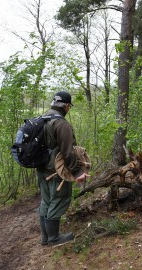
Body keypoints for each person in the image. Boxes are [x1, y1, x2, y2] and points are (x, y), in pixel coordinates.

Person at [37, 91, 90, 246]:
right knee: (60, 199)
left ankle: (45, 238)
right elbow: (68, 152)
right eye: (69, 107)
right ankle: (53, 238)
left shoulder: (43, 118)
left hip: (42, 168)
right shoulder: (61, 124)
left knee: (46, 200)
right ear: (67, 106)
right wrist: (77, 172)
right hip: (57, 170)